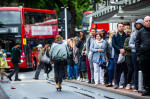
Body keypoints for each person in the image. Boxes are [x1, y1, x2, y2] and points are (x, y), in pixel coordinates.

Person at [135, 16, 150, 96]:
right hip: (144, 56)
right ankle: (147, 89)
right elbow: (137, 43)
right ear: (144, 23)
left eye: (149, 21)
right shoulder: (140, 31)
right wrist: (139, 54)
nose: (148, 22)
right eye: (146, 21)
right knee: (145, 74)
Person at [112, 22, 129, 89]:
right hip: (117, 54)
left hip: (125, 54)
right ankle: (116, 83)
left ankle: (126, 83)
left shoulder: (127, 35)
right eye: (120, 26)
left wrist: (124, 49)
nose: (121, 27)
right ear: (117, 27)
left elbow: (128, 43)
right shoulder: (115, 35)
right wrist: (120, 50)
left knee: (126, 69)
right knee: (117, 69)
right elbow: (113, 44)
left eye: (122, 26)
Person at [129, 19, 144, 91]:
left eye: (139, 24)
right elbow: (130, 44)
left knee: (144, 69)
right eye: (136, 24)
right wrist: (137, 46)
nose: (137, 25)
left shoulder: (145, 32)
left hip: (144, 52)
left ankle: (143, 86)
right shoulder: (134, 34)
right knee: (136, 68)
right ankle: (136, 86)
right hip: (135, 52)